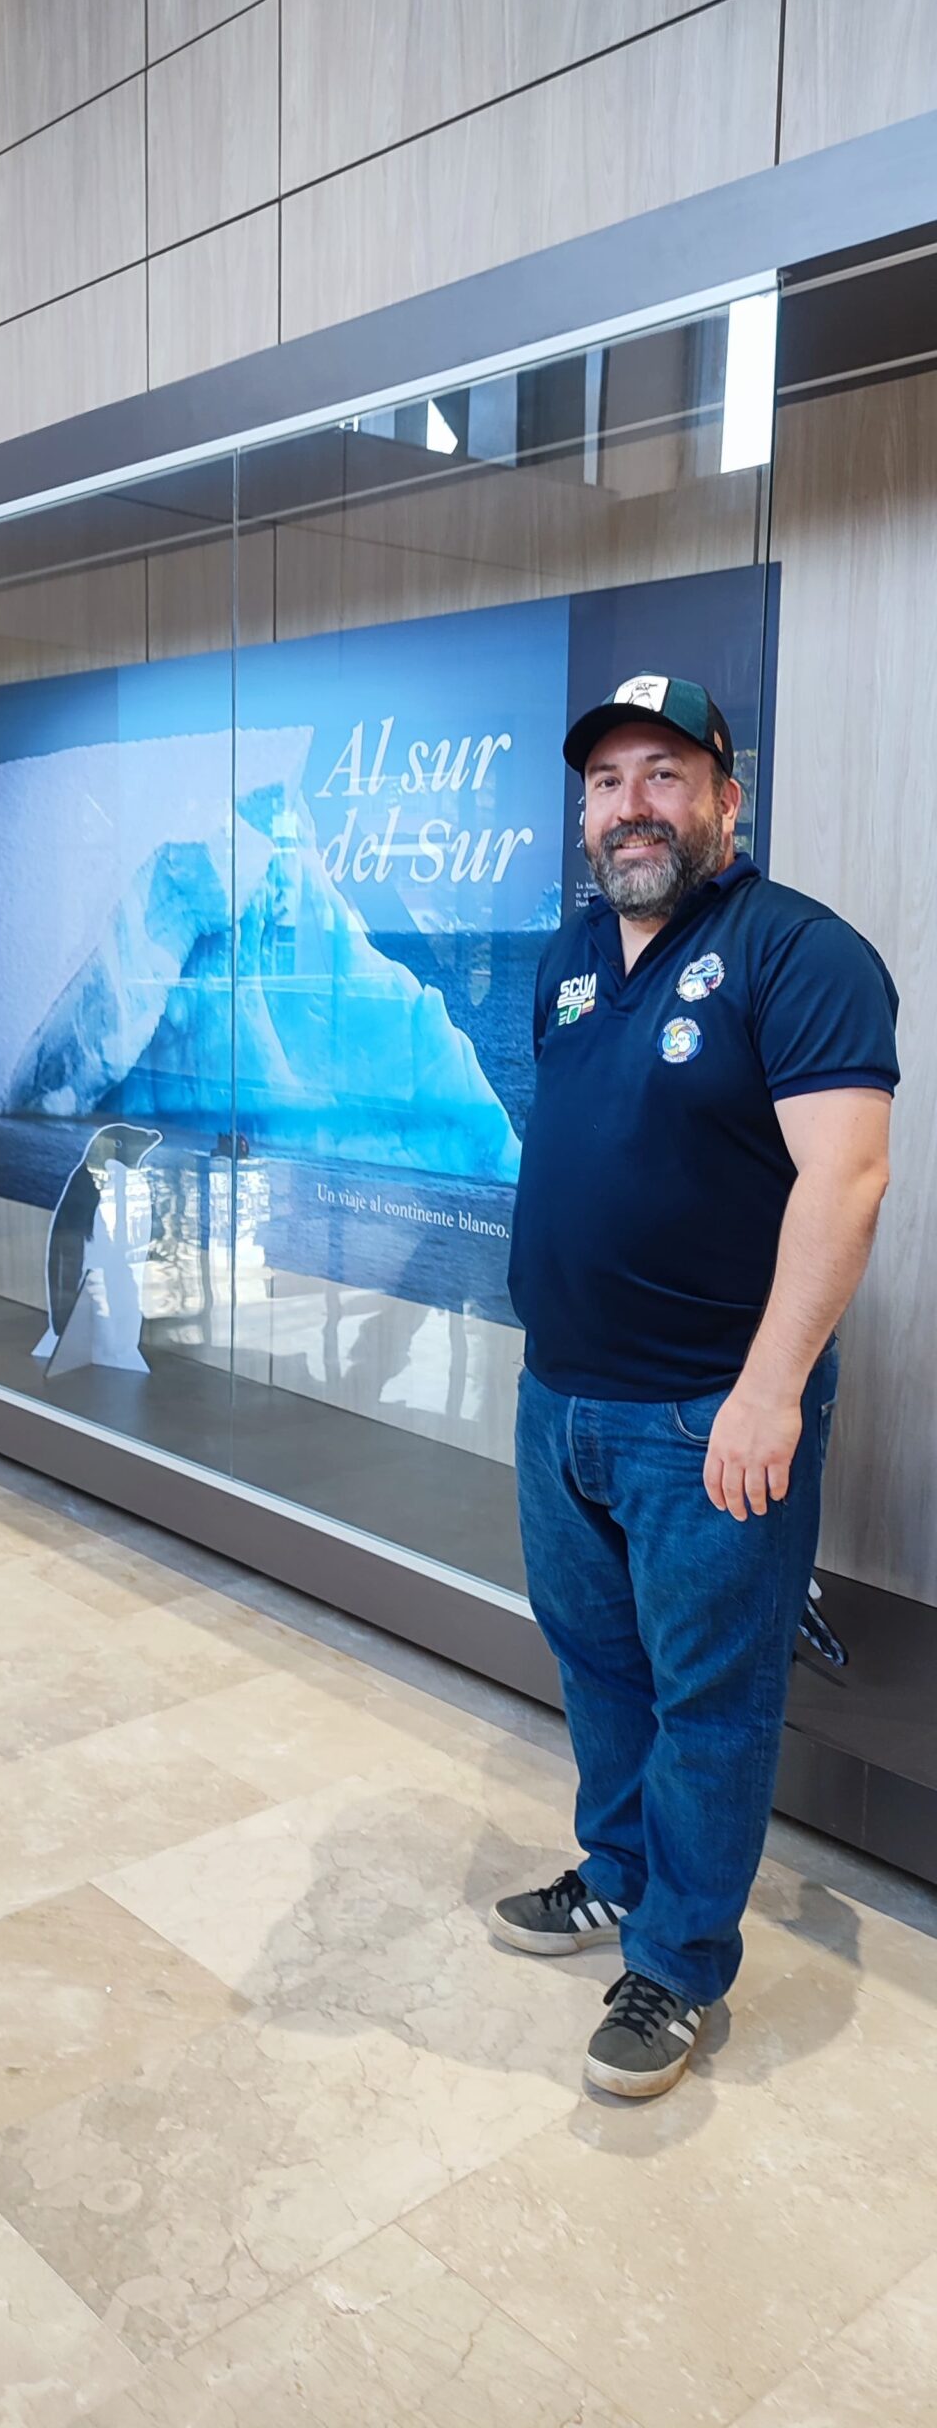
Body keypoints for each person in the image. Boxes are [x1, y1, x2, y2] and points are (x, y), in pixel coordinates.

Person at [495, 675, 898, 2098]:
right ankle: (616, 1873)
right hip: (562, 1401)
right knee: (599, 1669)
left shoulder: (799, 953)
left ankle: (675, 1964)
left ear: (731, 795)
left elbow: (846, 1183)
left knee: (711, 1701)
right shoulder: (567, 955)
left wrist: (772, 1392)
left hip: (707, 1419)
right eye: (607, 783)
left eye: (664, 774)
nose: (630, 806)